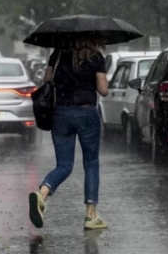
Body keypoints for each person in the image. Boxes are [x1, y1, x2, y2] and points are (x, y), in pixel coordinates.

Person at [28, 35, 109, 230]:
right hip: (86, 112)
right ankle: (91, 216)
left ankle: (42, 193)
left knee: (64, 164)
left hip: (61, 113)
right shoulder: (96, 57)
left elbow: (47, 80)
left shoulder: (57, 55)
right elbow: (103, 90)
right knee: (91, 163)